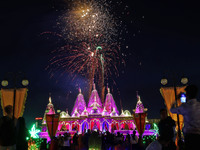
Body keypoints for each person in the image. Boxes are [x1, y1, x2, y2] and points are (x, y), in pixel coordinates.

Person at [170, 85, 200, 150]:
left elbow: (171, 110)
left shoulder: (184, 107)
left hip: (189, 137)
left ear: (187, 95)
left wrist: (177, 99)